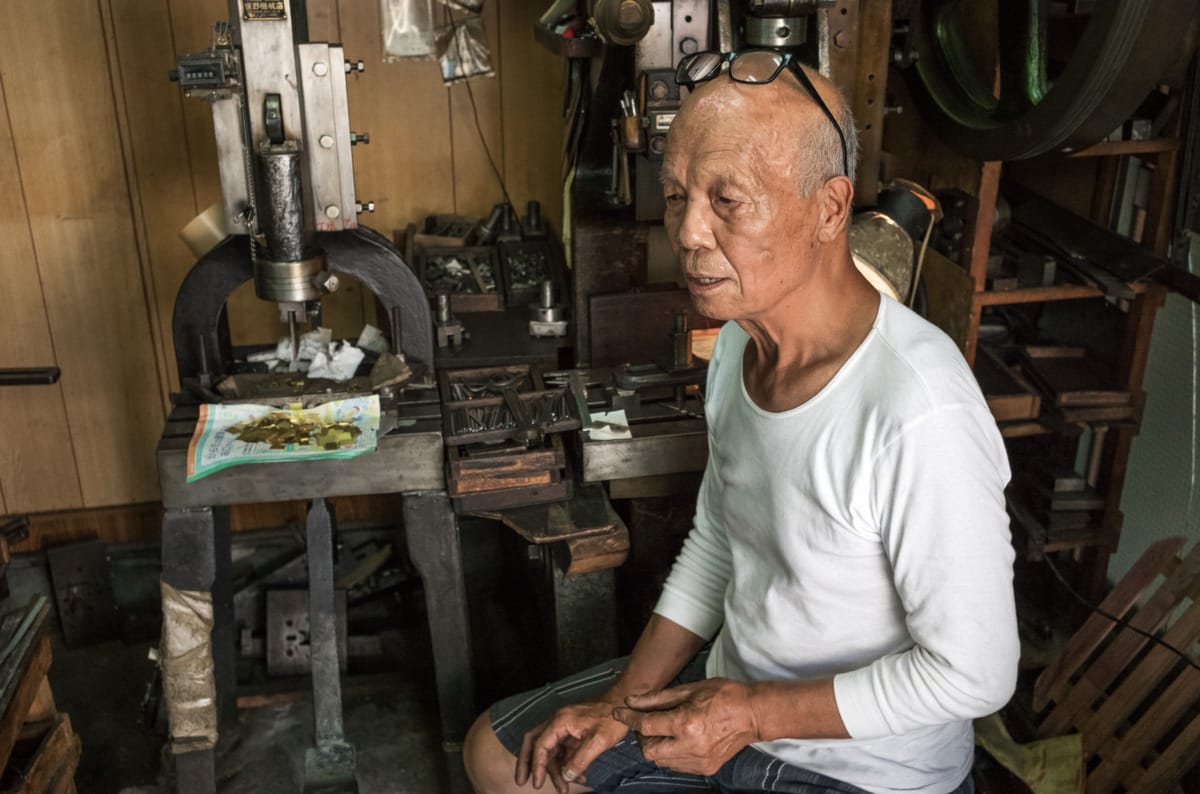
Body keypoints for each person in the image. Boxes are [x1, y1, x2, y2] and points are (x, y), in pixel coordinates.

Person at [463, 49, 1018, 794]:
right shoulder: (735, 348)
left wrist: (752, 716)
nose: (688, 233)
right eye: (678, 196)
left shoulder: (920, 410)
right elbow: (722, 539)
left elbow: (975, 674)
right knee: (503, 760)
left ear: (829, 208)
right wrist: (621, 706)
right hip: (728, 698)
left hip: (859, 772)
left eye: (728, 201)